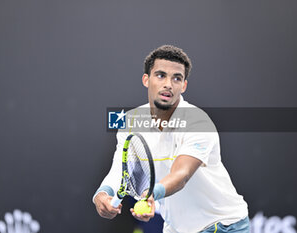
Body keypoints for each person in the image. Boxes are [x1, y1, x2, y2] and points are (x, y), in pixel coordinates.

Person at [93, 45, 249, 233]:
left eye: (177, 78)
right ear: (146, 80)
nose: (168, 84)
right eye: (160, 75)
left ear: (183, 86)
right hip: (177, 227)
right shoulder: (131, 121)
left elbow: (181, 175)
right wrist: (103, 193)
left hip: (221, 225)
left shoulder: (198, 122)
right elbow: (121, 167)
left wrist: (152, 194)